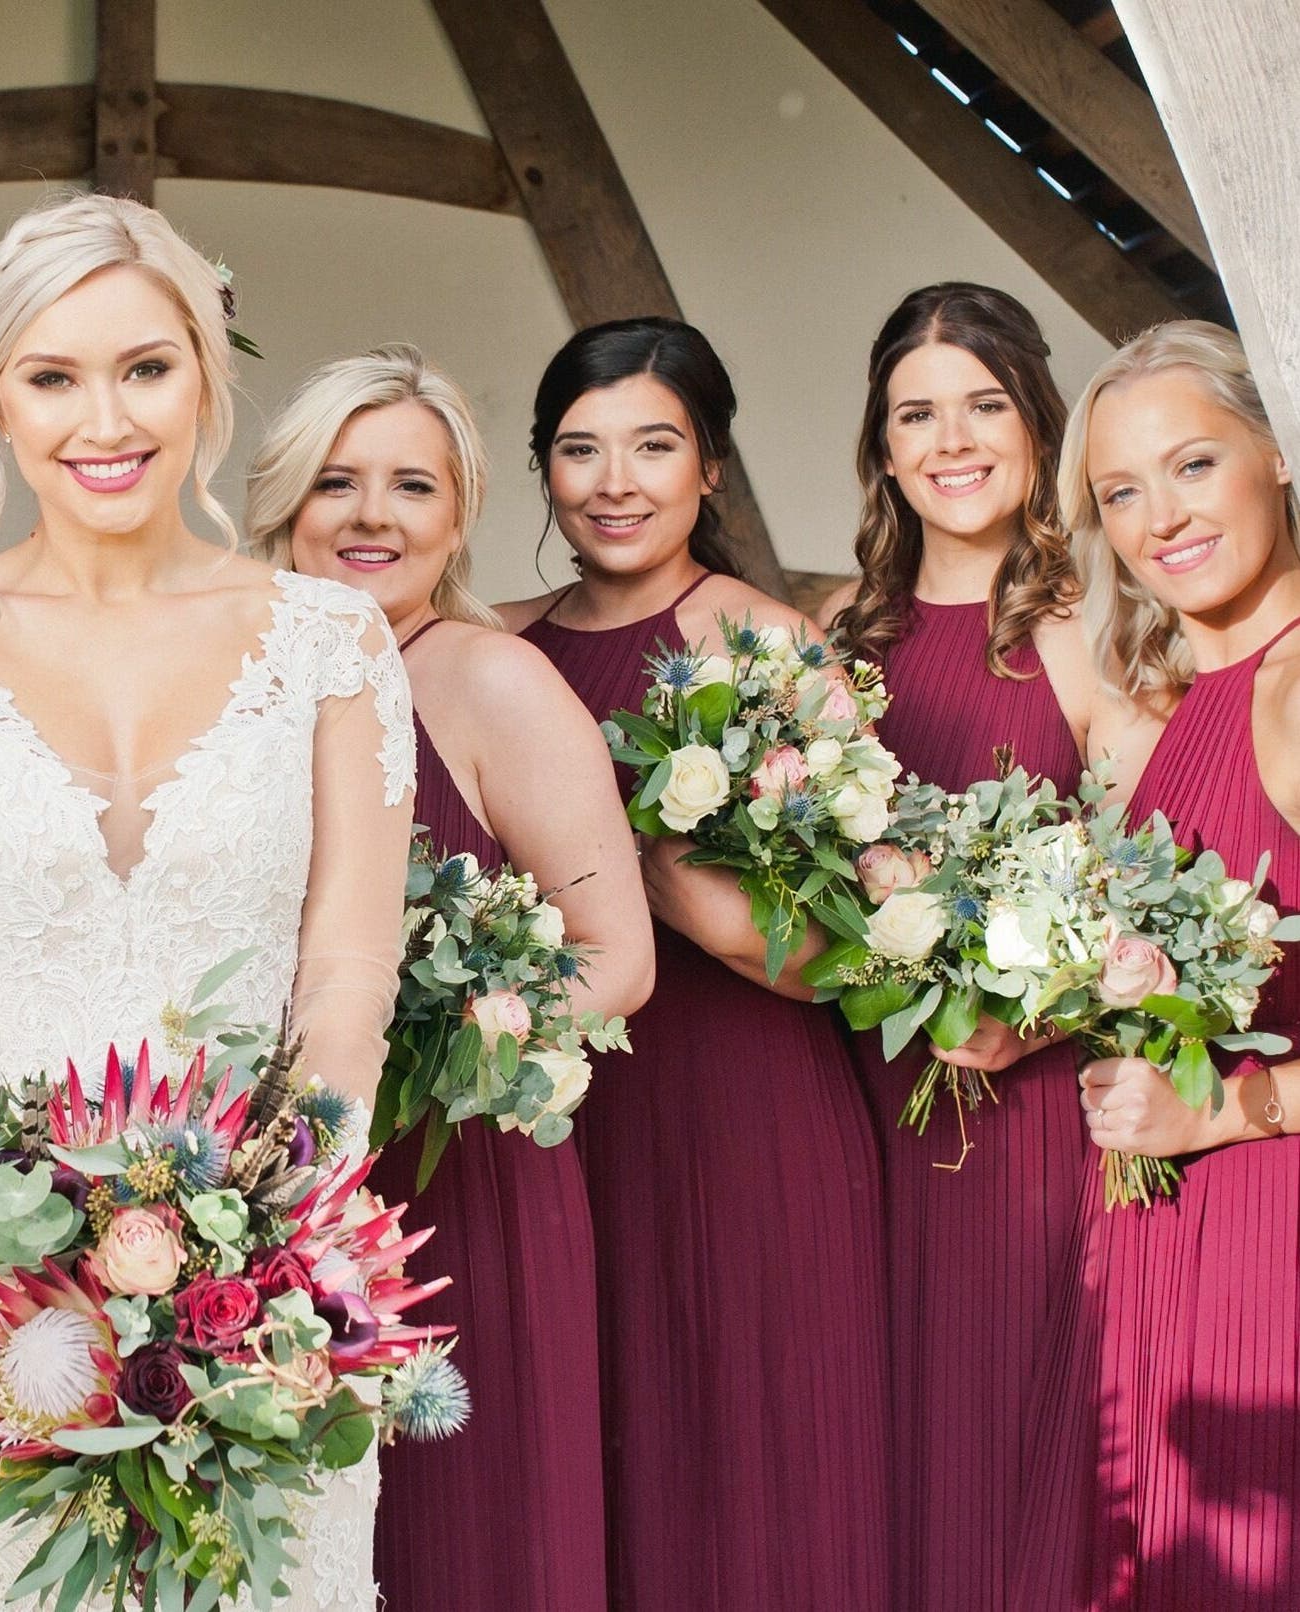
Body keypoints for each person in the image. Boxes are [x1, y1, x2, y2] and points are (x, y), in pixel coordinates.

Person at [0, 191, 413, 1610]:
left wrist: (267, 1236)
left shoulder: (331, 641)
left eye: (145, 367)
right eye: (52, 377)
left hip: (273, 1275)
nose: (105, 420)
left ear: (205, 374)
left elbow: (345, 977)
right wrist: (5, 1245)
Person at [249, 342, 651, 1612]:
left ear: (459, 512)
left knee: (466, 1553)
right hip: (256, 1194)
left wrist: (421, 1048)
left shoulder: (491, 679)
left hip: (451, 1185)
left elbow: (617, 958)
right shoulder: (231, 689)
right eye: (336, 482)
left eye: (411, 485)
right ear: (284, 499)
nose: (370, 515)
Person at [507, 316, 892, 1611]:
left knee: (747, 1457)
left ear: (710, 465)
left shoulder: (773, 645)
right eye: (579, 449)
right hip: (552, 1117)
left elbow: (863, 954)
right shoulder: (494, 642)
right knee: (584, 1461)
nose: (613, 482)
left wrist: (687, 904)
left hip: (742, 1112)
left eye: (653, 446)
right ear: (541, 467)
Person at [815, 283, 1159, 1612]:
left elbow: (1146, 879)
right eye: (914, 415)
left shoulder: (1092, 623)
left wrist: (1029, 1016)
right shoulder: (833, 635)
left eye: (982, 407)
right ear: (881, 445)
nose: (948, 442)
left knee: (1009, 1459)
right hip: (852, 1104)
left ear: (1035, 425)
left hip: (1019, 1113)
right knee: (870, 1463)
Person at [1011, 321, 1300, 1610]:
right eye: (1119, 491)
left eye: (1191, 465)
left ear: (1276, 453)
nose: (1158, 519)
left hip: (1267, 1254)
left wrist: (1225, 1110)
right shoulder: (1181, 704)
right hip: (1165, 1261)